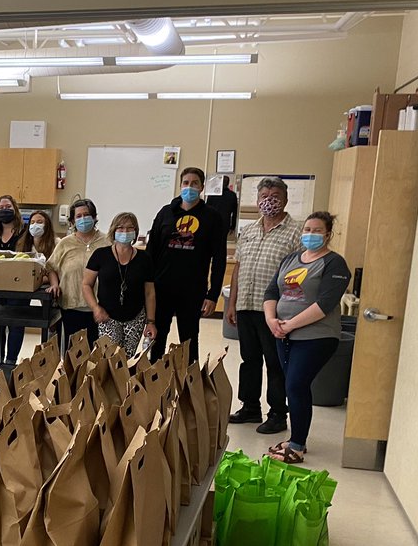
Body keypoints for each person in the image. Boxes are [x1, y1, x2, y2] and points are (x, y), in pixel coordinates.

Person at [263, 212, 351, 464]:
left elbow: (325, 303)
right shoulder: (291, 259)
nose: (310, 235)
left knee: (296, 385)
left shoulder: (335, 264)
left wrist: (289, 325)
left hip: (316, 336)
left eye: (316, 230)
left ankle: (297, 445)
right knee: (293, 385)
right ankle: (296, 438)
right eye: (307, 229)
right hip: (283, 333)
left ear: (328, 234)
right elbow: (272, 291)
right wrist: (272, 320)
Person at [228, 177, 303, 435]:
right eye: (264, 195)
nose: (269, 200)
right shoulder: (248, 230)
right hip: (246, 305)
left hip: (275, 311)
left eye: (274, 195)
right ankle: (249, 407)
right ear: (257, 199)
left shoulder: (296, 232)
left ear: (285, 199)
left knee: (275, 362)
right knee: (249, 360)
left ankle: (277, 414)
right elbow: (238, 268)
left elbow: (301, 272)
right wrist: (232, 303)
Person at [147, 166, 227, 364]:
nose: (189, 187)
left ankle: (189, 386)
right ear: (180, 185)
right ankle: (154, 382)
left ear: (201, 187)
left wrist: (212, 294)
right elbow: (151, 252)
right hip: (162, 288)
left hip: (192, 290)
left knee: (189, 340)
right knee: (157, 338)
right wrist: (147, 287)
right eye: (185, 183)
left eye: (194, 183)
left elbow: (219, 259)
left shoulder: (212, 217)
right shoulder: (165, 213)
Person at [82, 212, 157, 357]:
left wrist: (151, 321)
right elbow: (86, 284)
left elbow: (150, 293)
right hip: (108, 316)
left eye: (130, 228)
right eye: (120, 228)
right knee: (108, 359)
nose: (125, 232)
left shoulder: (144, 258)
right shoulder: (100, 255)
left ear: (135, 231)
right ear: (113, 230)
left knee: (128, 360)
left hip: (135, 317)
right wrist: (95, 308)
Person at [46, 198, 110, 346]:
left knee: (98, 355)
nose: (83, 219)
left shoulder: (107, 241)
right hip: (71, 306)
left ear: (94, 217)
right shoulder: (65, 243)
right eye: (78, 216)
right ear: (73, 221)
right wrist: (55, 284)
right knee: (73, 354)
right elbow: (51, 268)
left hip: (101, 309)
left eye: (86, 215)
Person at [0, 194, 28, 366]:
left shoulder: (25, 232)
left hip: (19, 286)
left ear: (15, 209)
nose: (4, 210)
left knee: (16, 324)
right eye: (1, 208)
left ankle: (11, 361)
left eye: (8, 207)